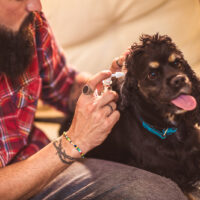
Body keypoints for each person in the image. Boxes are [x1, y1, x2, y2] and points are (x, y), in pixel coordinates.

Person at [0, 0, 187, 200]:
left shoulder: (29, 22)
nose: (36, 6)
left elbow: (65, 85)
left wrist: (110, 84)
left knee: (158, 194)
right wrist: (74, 142)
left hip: (42, 161)